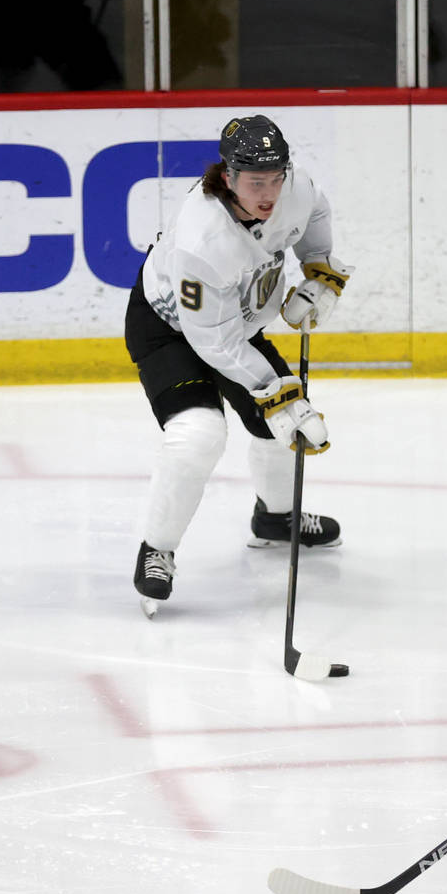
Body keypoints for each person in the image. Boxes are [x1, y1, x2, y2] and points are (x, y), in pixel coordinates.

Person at [125, 114, 352, 616]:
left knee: (277, 427)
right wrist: (277, 392)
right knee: (199, 434)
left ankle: (275, 518)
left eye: (275, 179)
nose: (268, 194)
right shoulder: (203, 240)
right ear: (228, 177)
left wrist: (318, 267)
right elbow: (214, 343)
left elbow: (314, 209)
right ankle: (157, 549)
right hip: (169, 330)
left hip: (236, 326)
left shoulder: (293, 189)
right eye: (255, 183)